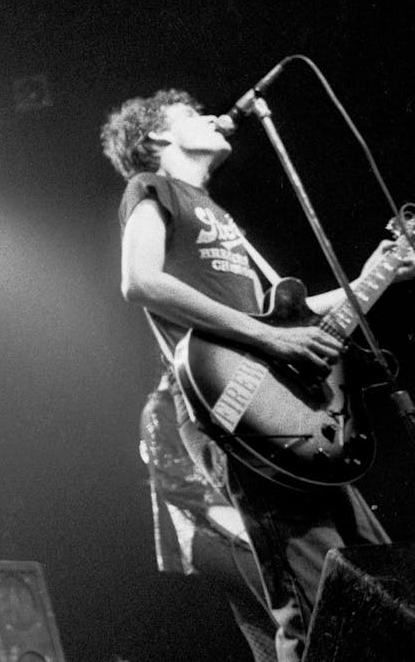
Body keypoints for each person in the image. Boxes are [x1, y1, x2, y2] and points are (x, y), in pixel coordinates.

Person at [100, 88, 415, 662]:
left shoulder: (221, 217)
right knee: (314, 596)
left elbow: (283, 317)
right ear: (158, 138)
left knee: (373, 576)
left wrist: (378, 275)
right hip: (237, 409)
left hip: (290, 409)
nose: (216, 117)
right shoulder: (153, 190)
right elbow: (139, 281)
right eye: (194, 114)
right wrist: (270, 337)